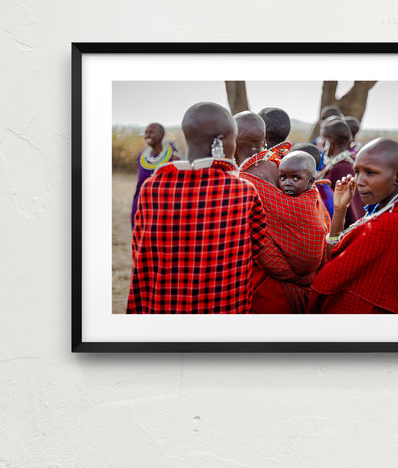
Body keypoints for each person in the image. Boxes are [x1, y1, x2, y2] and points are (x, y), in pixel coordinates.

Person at [127, 103, 297, 314]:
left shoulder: (152, 188)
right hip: (221, 306)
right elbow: (257, 246)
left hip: (164, 305)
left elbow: (139, 250)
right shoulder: (242, 191)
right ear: (222, 141)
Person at [307, 138, 398, 314]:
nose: (360, 181)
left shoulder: (395, 223)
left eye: (370, 173)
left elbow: (330, 271)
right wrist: (340, 209)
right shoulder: (379, 211)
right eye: (357, 172)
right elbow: (333, 256)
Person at [239, 148, 330, 313]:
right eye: (283, 178)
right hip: (294, 284)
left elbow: (319, 232)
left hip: (296, 280)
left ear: (311, 182)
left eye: (296, 178)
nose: (288, 183)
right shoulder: (276, 197)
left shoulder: (311, 200)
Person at [317, 116, 364, 227]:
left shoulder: (339, 169)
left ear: (329, 142)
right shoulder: (346, 164)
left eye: (323, 141)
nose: (322, 145)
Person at [131, 123, 179, 229]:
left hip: (161, 203)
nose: (147, 135)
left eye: (151, 132)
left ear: (162, 135)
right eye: (146, 133)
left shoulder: (173, 156)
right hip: (140, 200)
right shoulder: (142, 155)